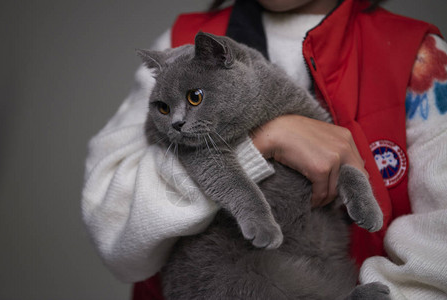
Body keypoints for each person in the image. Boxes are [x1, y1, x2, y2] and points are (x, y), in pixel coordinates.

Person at [81, 0, 447, 299]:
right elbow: (109, 224)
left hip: (338, 276)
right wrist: (266, 140)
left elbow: (437, 250)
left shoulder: (416, 55)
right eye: (164, 109)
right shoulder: (177, 48)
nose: (175, 121)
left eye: (193, 98)